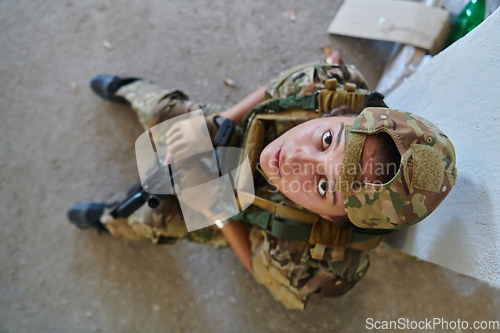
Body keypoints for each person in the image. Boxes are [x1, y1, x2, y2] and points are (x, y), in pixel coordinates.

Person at [68, 62, 457, 309]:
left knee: (153, 216)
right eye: (326, 141)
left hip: (244, 214)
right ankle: (128, 86)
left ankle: (108, 220)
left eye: (323, 187)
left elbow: (256, 264)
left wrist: (215, 209)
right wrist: (215, 124)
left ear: (333, 219)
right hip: (239, 138)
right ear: (339, 112)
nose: (296, 161)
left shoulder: (315, 262)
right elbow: (273, 92)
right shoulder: (328, 85)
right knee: (166, 114)